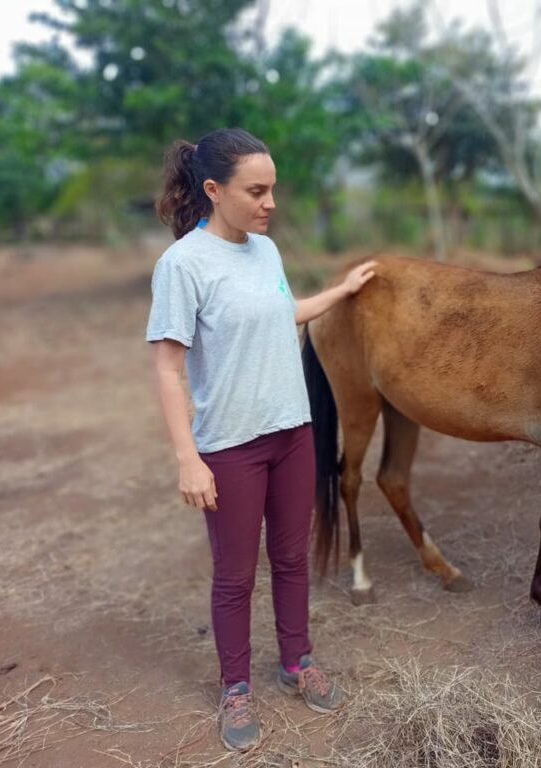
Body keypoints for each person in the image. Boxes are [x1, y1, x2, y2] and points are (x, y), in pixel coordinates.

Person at [147, 127, 376, 752]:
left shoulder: (264, 252)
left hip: (292, 434)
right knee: (234, 576)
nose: (270, 202)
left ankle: (297, 661)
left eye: (273, 189)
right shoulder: (182, 266)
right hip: (230, 447)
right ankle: (236, 685)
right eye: (257, 191)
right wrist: (187, 458)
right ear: (215, 190)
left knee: (293, 559)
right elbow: (168, 367)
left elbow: (283, 311)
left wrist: (340, 293)